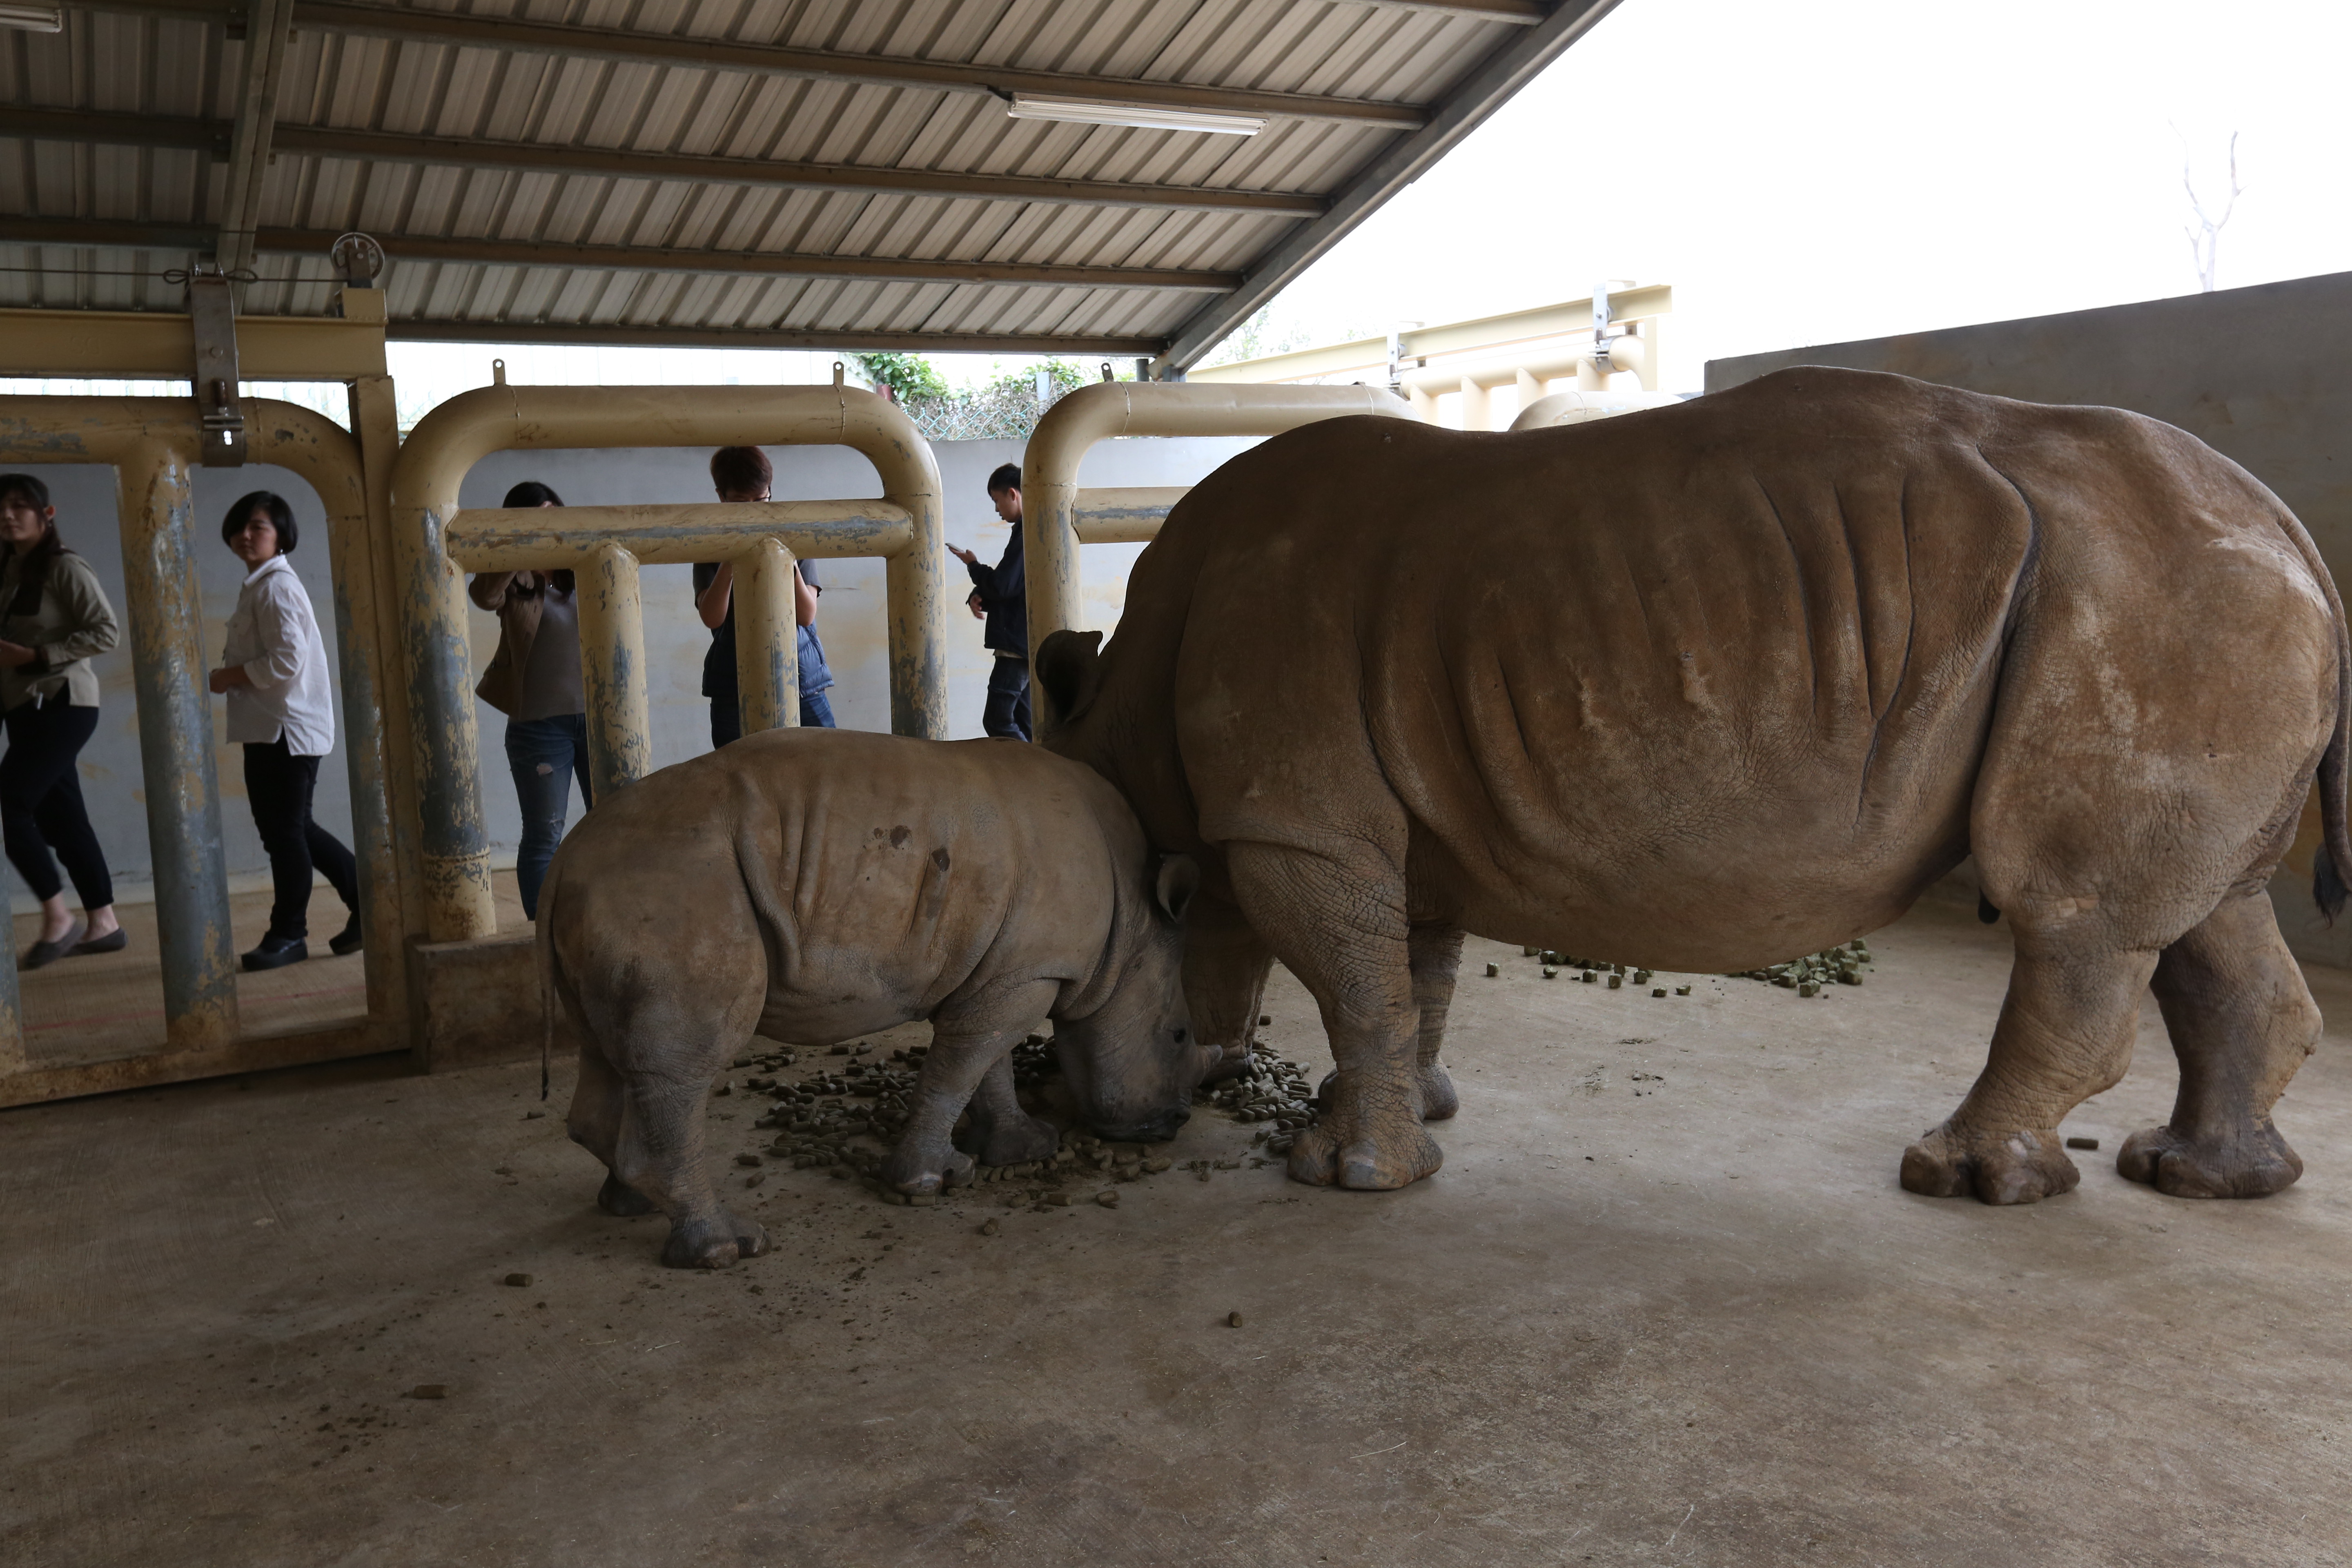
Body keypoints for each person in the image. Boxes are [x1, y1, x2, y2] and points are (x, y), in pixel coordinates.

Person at [209, 490, 361, 971]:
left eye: (258, 527)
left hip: (285, 730)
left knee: (285, 836)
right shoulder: (261, 585)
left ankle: (289, 934)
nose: (246, 535)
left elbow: (285, 661)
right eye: (240, 527)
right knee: (295, 830)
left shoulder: (275, 586)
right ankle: (369, 907)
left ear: (280, 536)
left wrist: (226, 677)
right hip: (272, 728)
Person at [0, 474, 124, 969]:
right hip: (23, 709)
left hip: (64, 704)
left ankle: (58, 917)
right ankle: (105, 922)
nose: (8, 516)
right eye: (1, 508)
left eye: (20, 507)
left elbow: (106, 631)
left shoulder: (64, 566)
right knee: (63, 817)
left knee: (12, 803)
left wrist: (37, 654)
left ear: (46, 515)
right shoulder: (8, 569)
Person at [468, 481, 590, 921]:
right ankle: (543, 932)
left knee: (614, 824)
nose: (547, 522)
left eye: (551, 512)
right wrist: (518, 545)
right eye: (535, 515)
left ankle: (611, 917)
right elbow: (483, 597)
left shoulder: (589, 560)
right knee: (543, 834)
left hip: (601, 718)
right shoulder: (513, 574)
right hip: (538, 725)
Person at [693, 446, 833, 745]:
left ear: (771, 491)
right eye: (742, 503)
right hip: (734, 685)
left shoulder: (796, 535)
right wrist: (731, 560)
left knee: (829, 768)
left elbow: (806, 614)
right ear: (721, 496)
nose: (756, 511)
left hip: (802, 681)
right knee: (738, 776)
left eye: (762, 500)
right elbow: (711, 617)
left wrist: (786, 556)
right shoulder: (709, 543)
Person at [948, 462, 1030, 740]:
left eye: (997, 501)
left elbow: (1004, 586)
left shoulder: (1027, 532)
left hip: (1017, 645)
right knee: (1026, 722)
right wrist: (981, 594)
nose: (997, 509)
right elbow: (1014, 588)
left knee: (998, 721)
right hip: (1025, 643)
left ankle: (1033, 774)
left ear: (1012, 494)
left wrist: (973, 566)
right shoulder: (1028, 530)